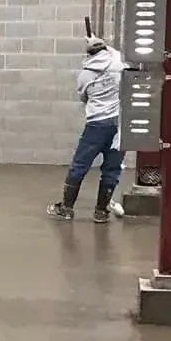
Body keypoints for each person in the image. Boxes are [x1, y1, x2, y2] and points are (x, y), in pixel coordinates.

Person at [49, 33, 126, 222]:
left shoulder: (85, 75)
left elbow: (84, 98)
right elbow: (115, 52)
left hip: (96, 125)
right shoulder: (119, 65)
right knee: (112, 168)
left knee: (79, 166)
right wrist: (98, 41)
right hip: (119, 125)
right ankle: (101, 212)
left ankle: (67, 208)